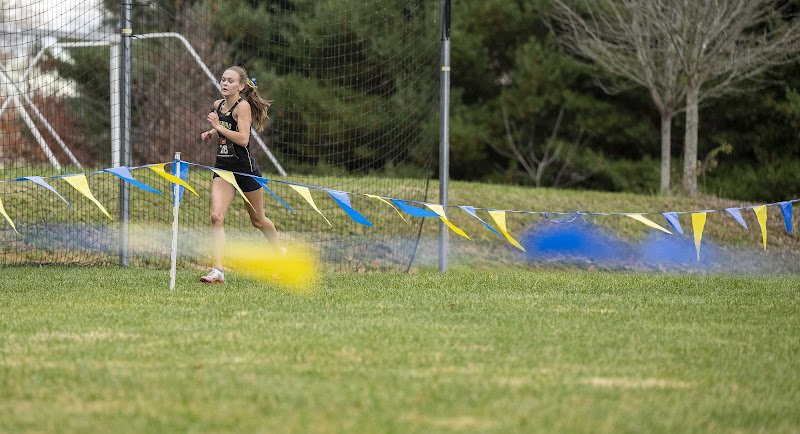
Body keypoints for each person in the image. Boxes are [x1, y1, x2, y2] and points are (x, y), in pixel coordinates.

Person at [199, 66, 279, 283]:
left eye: (230, 81)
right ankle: (217, 270)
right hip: (223, 168)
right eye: (223, 79)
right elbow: (224, 124)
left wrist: (217, 126)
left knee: (258, 221)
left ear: (241, 86)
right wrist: (212, 132)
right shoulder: (218, 105)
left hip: (245, 171)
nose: (225, 83)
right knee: (216, 217)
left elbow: (243, 139)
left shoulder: (243, 107)